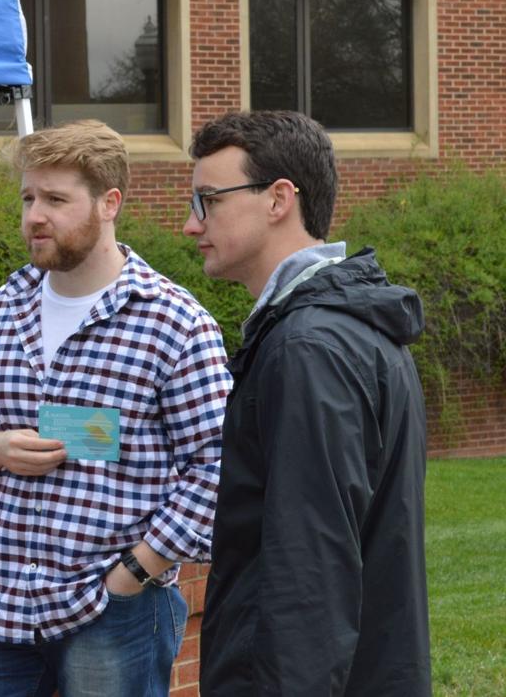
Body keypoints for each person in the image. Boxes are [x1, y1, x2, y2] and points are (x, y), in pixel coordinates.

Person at [0, 119, 232, 697]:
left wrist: (136, 573)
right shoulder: (4, 309)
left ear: (109, 203)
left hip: (112, 610)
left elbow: (219, 468)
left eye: (55, 199)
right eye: (28, 198)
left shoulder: (172, 322)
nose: (34, 216)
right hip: (0, 603)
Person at [183, 110, 431, 695]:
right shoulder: (342, 329)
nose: (191, 226)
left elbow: (307, 572)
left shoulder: (307, 347)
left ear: (278, 199)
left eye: (208, 201)